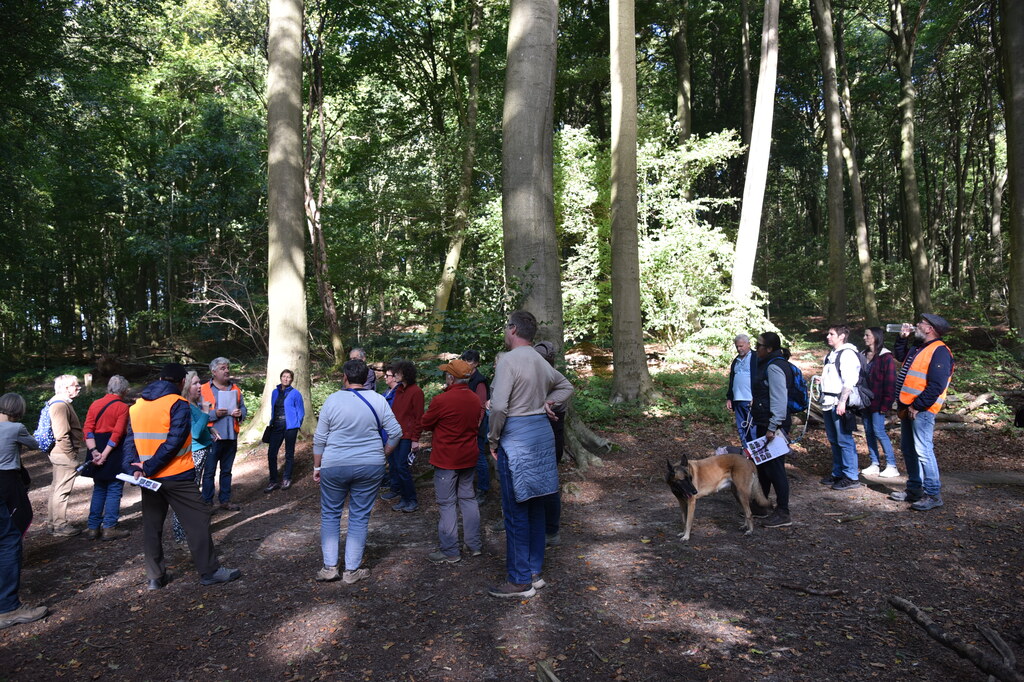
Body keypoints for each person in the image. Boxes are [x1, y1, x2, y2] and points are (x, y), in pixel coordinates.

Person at [122, 363, 241, 589]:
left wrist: (134, 468)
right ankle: (210, 572)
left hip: (149, 479)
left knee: (152, 526)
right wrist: (147, 467)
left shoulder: (136, 406)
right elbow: (174, 442)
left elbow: (129, 441)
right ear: (181, 382)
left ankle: (155, 577)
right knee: (197, 521)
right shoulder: (178, 403)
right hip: (177, 475)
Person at [487, 311, 574, 599]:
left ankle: (519, 579)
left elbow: (498, 407)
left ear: (512, 329)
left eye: (505, 327)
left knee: (515, 510)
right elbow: (566, 386)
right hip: (542, 436)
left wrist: (493, 439)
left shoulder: (508, 360)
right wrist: (550, 402)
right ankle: (534, 572)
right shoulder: (540, 359)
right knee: (537, 506)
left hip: (517, 438)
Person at [313, 359, 400, 584]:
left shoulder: (332, 400)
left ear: (345, 377)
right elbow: (396, 432)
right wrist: (384, 454)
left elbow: (320, 438)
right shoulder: (378, 400)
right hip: (370, 464)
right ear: (366, 378)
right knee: (359, 516)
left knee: (331, 514)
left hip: (334, 464)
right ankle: (351, 571)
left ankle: (329, 568)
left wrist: (317, 466)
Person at [889, 314, 955, 511]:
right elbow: (901, 357)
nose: (917, 325)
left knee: (923, 451)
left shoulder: (940, 351)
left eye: (921, 323)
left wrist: (917, 406)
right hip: (909, 407)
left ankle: (933, 494)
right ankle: (914, 491)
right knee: (909, 449)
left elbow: (936, 385)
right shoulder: (920, 347)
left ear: (930, 329)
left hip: (922, 410)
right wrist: (902, 338)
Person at [421, 358, 484, 563]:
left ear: (451, 377)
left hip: (447, 459)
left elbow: (426, 423)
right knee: (468, 499)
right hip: (468, 456)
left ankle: (450, 550)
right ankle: (474, 545)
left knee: (447, 504)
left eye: (447, 374)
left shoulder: (442, 400)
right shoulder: (475, 399)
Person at [0, 393, 49, 629]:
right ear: (18, 408)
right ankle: (8, 607)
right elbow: (37, 444)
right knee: (10, 539)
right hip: (6, 482)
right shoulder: (15, 427)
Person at [750, 333, 793, 528]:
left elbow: (779, 400)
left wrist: (773, 427)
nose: (756, 348)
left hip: (773, 425)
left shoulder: (775, 366)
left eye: (759, 346)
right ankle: (762, 504)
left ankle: (783, 512)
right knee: (763, 466)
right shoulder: (769, 363)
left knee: (775, 469)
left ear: (769, 349)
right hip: (765, 422)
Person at [172, 371, 220, 544]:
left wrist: (210, 429)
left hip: (201, 453)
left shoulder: (193, 404)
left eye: (200, 383)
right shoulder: (185, 405)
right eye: (195, 383)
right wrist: (207, 413)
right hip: (195, 454)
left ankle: (188, 531)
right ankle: (182, 535)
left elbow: (201, 428)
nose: (200, 386)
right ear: (186, 386)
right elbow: (195, 433)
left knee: (193, 491)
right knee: (188, 495)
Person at [82, 375, 132, 541]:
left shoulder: (95, 404)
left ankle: (92, 527)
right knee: (114, 488)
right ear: (124, 390)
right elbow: (117, 434)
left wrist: (94, 451)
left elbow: (88, 429)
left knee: (99, 487)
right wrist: (105, 454)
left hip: (95, 445)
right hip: (113, 450)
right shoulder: (122, 407)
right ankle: (109, 527)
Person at [818, 324, 863, 491]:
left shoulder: (848, 354)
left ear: (842, 336)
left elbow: (849, 381)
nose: (828, 337)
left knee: (844, 439)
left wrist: (842, 402)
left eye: (831, 334)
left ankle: (851, 476)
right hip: (828, 402)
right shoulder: (831, 355)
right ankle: (838, 473)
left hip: (839, 402)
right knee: (834, 440)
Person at [200, 357, 246, 511]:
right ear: (213, 372)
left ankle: (225, 500)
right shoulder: (203, 389)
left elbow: (243, 408)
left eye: (227, 368)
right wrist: (214, 414)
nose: (226, 371)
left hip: (231, 436)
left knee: (227, 471)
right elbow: (197, 413)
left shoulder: (235, 389)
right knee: (209, 472)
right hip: (212, 438)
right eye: (222, 368)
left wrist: (240, 413)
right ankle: (207, 502)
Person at [533, 341, 565, 547]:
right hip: (539, 442)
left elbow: (554, 408)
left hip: (550, 443)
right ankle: (540, 525)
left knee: (549, 487)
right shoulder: (542, 380)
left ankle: (551, 530)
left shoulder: (553, 382)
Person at [46, 374, 84, 536]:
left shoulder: (58, 403)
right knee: (62, 490)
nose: (78, 388)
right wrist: (71, 456)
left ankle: (52, 523)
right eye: (75, 385)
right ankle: (60, 525)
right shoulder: (60, 405)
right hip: (63, 455)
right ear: (65, 388)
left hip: (59, 453)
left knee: (57, 488)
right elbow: (61, 434)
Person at [860, 327, 899, 478]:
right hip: (864, 402)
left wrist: (886, 404)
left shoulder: (886, 357)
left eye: (867, 335)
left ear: (876, 337)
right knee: (869, 432)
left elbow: (890, 383)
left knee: (879, 432)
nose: (864, 338)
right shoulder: (862, 355)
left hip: (879, 403)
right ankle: (874, 463)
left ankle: (891, 465)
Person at [389, 359, 424, 513]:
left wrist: (415, 439)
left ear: (406, 374)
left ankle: (412, 500)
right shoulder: (398, 390)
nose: (395, 375)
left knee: (402, 467)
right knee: (396, 466)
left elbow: (419, 417)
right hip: (396, 435)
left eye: (398, 372)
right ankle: (404, 499)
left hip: (407, 436)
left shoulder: (416, 391)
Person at [264, 369, 305, 493]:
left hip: (290, 426)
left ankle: (287, 478)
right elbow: (273, 408)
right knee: (272, 453)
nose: (286, 379)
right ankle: (273, 480)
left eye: (288, 377)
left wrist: (297, 424)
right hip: (276, 425)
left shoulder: (295, 393)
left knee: (289, 453)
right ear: (280, 378)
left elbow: (301, 411)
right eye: (284, 376)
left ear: (292, 379)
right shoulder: (274, 392)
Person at [460, 350, 492, 504]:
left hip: (477, 426)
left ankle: (483, 489)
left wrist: (476, 426)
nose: (467, 363)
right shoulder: (464, 378)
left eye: (470, 361)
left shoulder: (479, 381)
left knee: (479, 457)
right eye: (465, 360)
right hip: (465, 424)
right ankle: (468, 487)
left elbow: (481, 406)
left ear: (477, 363)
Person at [725, 334, 756, 445]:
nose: (739, 349)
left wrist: (756, 397)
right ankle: (746, 451)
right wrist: (729, 398)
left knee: (752, 428)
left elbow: (760, 378)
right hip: (738, 399)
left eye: (741, 346)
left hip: (751, 399)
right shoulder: (736, 360)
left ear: (748, 344)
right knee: (741, 428)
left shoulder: (755, 357)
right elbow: (732, 380)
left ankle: (756, 455)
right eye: (737, 346)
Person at [379, 365, 401, 500]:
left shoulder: (398, 394)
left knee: (397, 462)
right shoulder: (386, 393)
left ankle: (396, 488)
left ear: (395, 377)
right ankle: (394, 485)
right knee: (391, 461)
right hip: (384, 433)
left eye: (387, 376)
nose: (385, 378)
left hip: (393, 433)